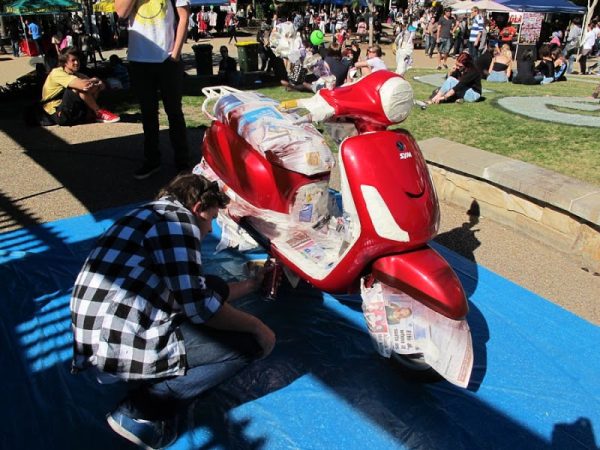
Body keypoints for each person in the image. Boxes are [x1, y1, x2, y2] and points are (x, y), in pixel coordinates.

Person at [70, 173, 276, 449]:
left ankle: (148, 378)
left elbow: (199, 292)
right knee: (248, 345)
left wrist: (251, 285)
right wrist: (258, 327)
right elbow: (202, 309)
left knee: (213, 285)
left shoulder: (151, 213)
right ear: (198, 208)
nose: (210, 229)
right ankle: (140, 412)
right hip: (116, 347)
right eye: (212, 219)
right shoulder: (180, 226)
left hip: (101, 334)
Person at [115, 0, 191, 180]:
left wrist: (175, 54)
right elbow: (121, 13)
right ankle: (152, 160)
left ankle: (182, 162)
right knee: (148, 113)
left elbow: (184, 17)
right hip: (139, 59)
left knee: (174, 112)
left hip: (167, 59)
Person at [40, 47, 120, 126]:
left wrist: (98, 84)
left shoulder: (76, 74)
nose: (76, 63)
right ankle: (98, 112)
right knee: (79, 88)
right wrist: (94, 80)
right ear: (65, 62)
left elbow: (99, 85)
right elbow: (83, 85)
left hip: (72, 111)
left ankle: (91, 114)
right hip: (58, 113)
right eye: (73, 60)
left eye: (77, 60)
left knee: (94, 87)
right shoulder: (57, 73)